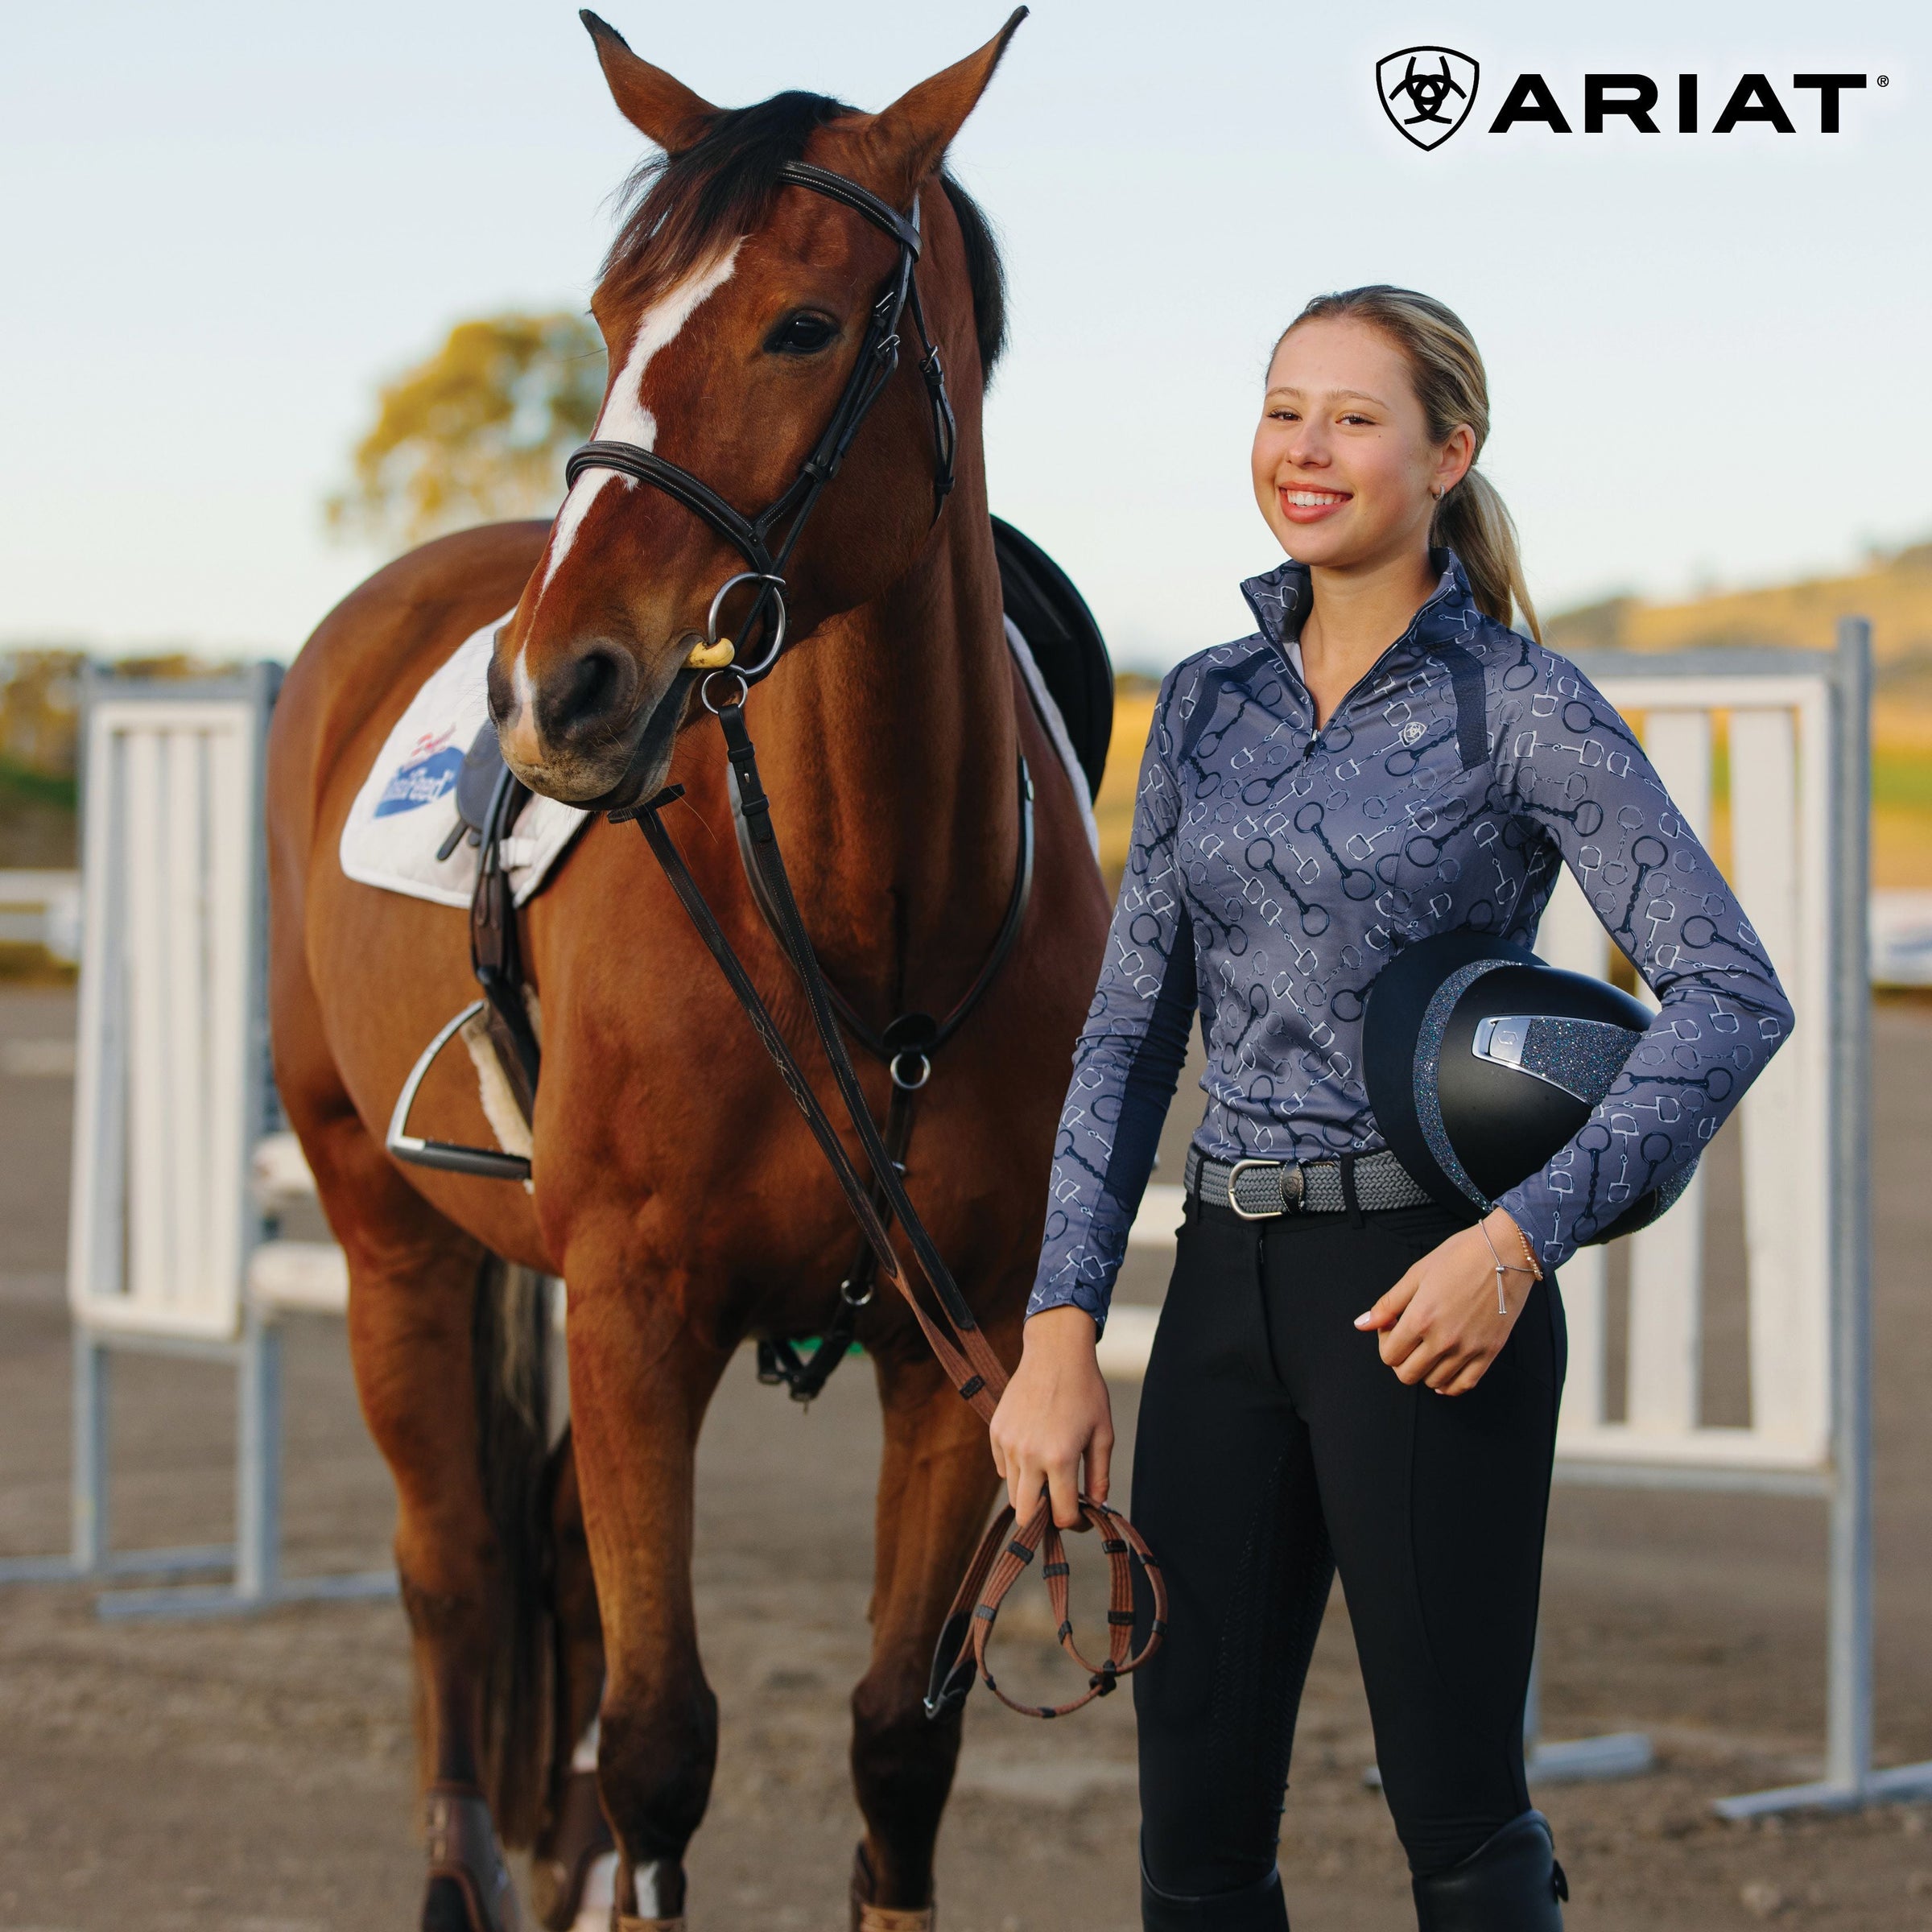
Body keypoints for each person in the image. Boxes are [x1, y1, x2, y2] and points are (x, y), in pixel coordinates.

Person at [989, 286, 1794, 1931]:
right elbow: (1129, 1035)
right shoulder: (1206, 704)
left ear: (1448, 454)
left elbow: (1731, 991)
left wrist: (1521, 1246)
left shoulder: (1523, 705)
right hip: (1224, 1290)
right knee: (1194, 1832)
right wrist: (1061, 1323)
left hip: (1436, 1296)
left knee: (1456, 1818)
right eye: (1285, 408)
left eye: (1355, 416)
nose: (1307, 447)